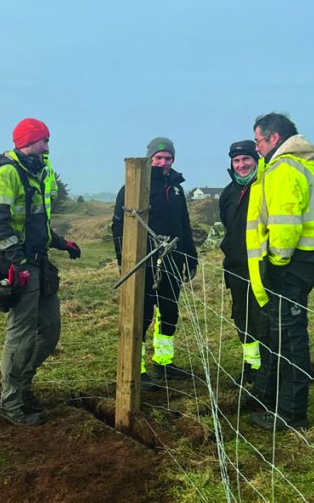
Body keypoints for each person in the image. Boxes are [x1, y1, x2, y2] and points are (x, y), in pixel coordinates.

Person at [0, 117, 81, 426]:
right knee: (21, 335)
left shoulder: (38, 172)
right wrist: (17, 262)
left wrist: (62, 242)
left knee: (50, 329)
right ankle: (11, 402)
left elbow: (37, 222)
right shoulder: (8, 174)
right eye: (45, 141)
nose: (48, 147)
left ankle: (23, 384)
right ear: (29, 141)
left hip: (40, 263)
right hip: (22, 266)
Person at [246, 113, 314, 431]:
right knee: (286, 333)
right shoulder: (302, 162)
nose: (256, 148)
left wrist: (275, 265)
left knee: (290, 337)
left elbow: (285, 224)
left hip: (294, 263)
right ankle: (280, 402)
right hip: (310, 258)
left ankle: (292, 413)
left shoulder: (283, 168)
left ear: (273, 137)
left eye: (258, 140)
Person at [112, 137, 198, 389]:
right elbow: (119, 226)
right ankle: (137, 368)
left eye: (168, 158)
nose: (163, 162)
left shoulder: (177, 188)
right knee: (143, 313)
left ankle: (164, 361)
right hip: (144, 262)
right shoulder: (134, 186)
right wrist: (124, 261)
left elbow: (184, 224)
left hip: (172, 259)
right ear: (149, 158)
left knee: (170, 311)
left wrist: (190, 256)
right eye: (158, 158)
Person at [219, 141, 266, 385]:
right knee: (242, 316)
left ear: (256, 159)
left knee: (264, 317)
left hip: (262, 266)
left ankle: (269, 368)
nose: (241, 165)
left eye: (246, 159)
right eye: (236, 161)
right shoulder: (228, 193)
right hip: (236, 266)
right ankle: (252, 366)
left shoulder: (266, 186)